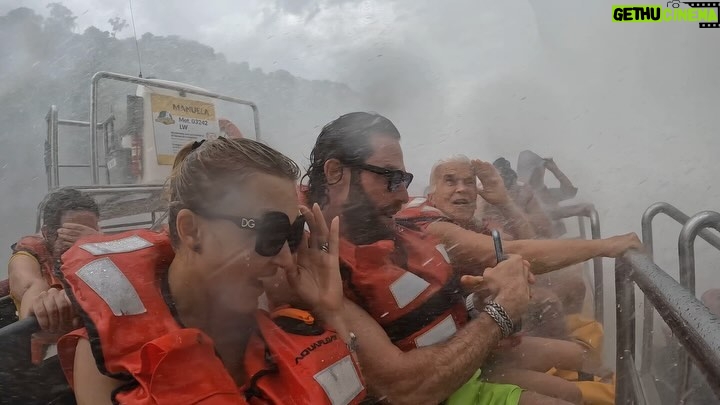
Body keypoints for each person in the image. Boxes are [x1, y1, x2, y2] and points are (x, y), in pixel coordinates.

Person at [57, 138, 367, 404]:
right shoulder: (108, 358)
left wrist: (331, 312)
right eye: (270, 233)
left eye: (292, 235)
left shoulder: (281, 310)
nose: (286, 261)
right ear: (191, 230)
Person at [302, 111, 577, 405]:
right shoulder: (310, 260)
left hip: (454, 371)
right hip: (432, 387)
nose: (403, 197)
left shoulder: (372, 231)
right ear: (334, 172)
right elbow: (405, 388)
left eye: (405, 179)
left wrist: (476, 305)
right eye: (391, 178)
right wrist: (501, 311)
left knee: (571, 387)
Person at [8, 187, 100, 333]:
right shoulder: (26, 259)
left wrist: (98, 244)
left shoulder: (98, 247)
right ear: (47, 233)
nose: (80, 246)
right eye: (71, 235)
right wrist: (46, 305)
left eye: (87, 235)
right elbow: (32, 295)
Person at [516, 150, 577, 238]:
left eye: (542, 168)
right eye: (537, 169)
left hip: (561, 242)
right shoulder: (521, 195)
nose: (542, 171)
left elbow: (570, 193)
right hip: (539, 245)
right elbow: (518, 219)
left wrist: (555, 170)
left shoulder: (547, 193)